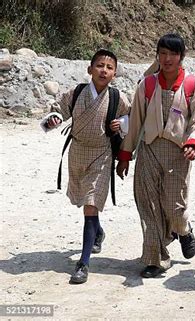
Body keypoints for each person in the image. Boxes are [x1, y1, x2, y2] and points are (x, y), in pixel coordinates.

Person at [116, 33, 195, 278]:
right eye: (163, 53)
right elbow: (135, 122)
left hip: (179, 154)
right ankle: (155, 258)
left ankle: (184, 230)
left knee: (174, 209)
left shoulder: (191, 85)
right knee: (148, 206)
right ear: (157, 56)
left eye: (173, 54)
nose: (167, 59)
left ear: (182, 57)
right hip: (148, 151)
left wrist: (193, 143)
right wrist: (125, 155)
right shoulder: (147, 85)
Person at [41, 49, 130, 284]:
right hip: (77, 153)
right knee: (83, 200)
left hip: (102, 155)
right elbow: (57, 109)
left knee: (91, 204)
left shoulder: (117, 98)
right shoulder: (78, 92)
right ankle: (98, 232)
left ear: (115, 74)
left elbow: (131, 118)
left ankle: (83, 262)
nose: (104, 70)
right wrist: (54, 118)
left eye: (110, 67)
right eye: (100, 65)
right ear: (90, 69)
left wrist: (121, 123)